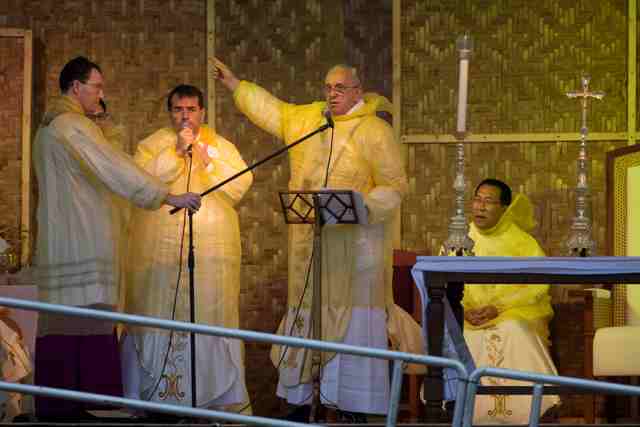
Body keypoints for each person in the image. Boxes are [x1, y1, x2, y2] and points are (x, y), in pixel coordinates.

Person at [213, 58, 423, 420]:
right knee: (306, 319)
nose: (332, 94)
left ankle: (352, 410)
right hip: (309, 251)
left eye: (340, 88)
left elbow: (395, 186)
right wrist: (235, 84)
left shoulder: (374, 130)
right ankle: (300, 407)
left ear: (358, 91)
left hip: (355, 255)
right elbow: (273, 111)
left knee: (352, 332)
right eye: (328, 88)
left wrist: (363, 207)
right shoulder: (310, 121)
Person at [31, 56, 201, 421]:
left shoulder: (49, 127)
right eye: (97, 87)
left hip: (62, 243)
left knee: (66, 322)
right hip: (82, 241)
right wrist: (167, 195)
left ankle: (63, 405)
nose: (101, 94)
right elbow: (114, 168)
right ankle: (85, 404)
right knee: (87, 317)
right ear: (76, 87)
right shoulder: (71, 126)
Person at [120, 84, 252, 413]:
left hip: (210, 257)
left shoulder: (220, 145)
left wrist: (206, 159)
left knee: (208, 318)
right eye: (179, 109)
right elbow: (140, 183)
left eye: (191, 110)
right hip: (158, 257)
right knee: (158, 318)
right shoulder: (153, 145)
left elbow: (239, 185)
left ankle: (214, 402)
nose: (185, 116)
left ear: (202, 113)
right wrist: (176, 152)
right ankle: (152, 400)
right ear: (170, 112)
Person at [453, 179, 559, 424]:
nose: (480, 207)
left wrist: (498, 307)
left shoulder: (522, 241)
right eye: (477, 199)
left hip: (512, 312)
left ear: (504, 208)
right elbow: (446, 279)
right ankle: (464, 411)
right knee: (465, 336)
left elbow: (538, 283)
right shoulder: (460, 240)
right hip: (470, 315)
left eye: (489, 201)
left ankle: (523, 414)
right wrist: (465, 310)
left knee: (512, 330)